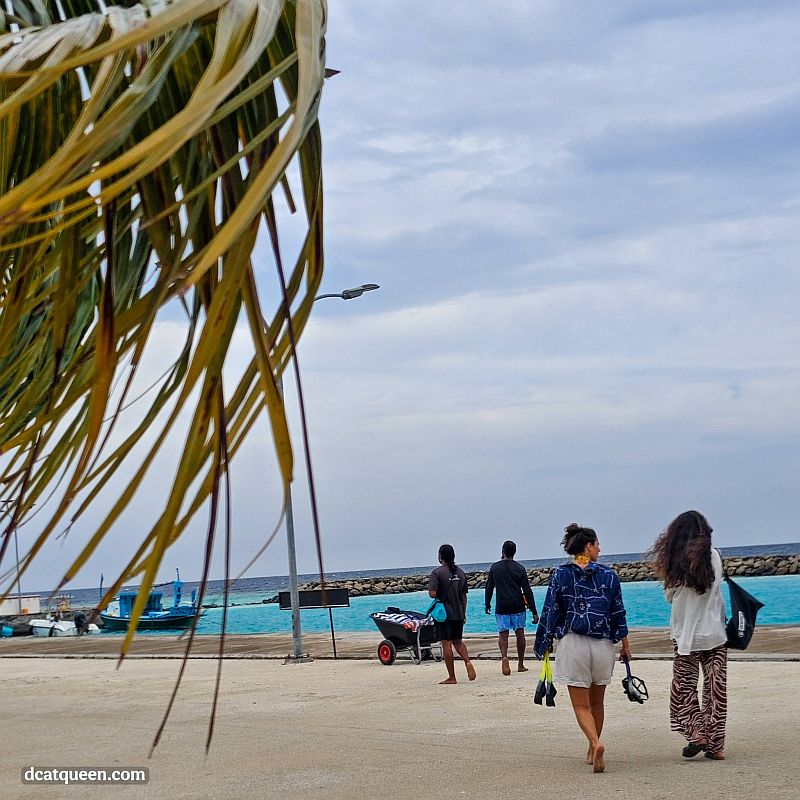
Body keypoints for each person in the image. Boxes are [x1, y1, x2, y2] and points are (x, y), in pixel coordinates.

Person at [534, 523, 631, 773]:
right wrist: (625, 646)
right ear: (588, 546)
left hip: (574, 643)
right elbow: (618, 612)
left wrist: (543, 642)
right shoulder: (609, 575)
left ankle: (595, 743)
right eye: (597, 544)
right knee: (597, 703)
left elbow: (551, 611)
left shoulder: (561, 574)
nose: (600, 548)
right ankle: (592, 749)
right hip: (602, 645)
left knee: (581, 706)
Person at [649, 510, 728, 761]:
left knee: (683, 689)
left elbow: (670, 596)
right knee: (716, 691)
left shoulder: (676, 562)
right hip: (715, 634)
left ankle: (696, 734)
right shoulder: (715, 557)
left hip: (686, 637)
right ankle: (716, 746)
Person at [485, 540, 539, 675]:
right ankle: (520, 664)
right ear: (514, 552)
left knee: (503, 634)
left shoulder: (495, 567)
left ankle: (504, 656)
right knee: (520, 633)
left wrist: (487, 603)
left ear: (503, 551)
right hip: (518, 606)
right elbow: (527, 590)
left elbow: (489, 587)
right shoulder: (520, 568)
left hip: (502, 606)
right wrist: (534, 611)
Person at [428, 544, 476, 685]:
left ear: (440, 557)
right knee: (458, 642)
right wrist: (464, 613)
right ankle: (467, 661)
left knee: (447, 644)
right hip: (459, 613)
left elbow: (432, 594)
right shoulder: (461, 573)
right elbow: (464, 596)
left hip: (444, 614)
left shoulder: (437, 573)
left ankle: (452, 677)